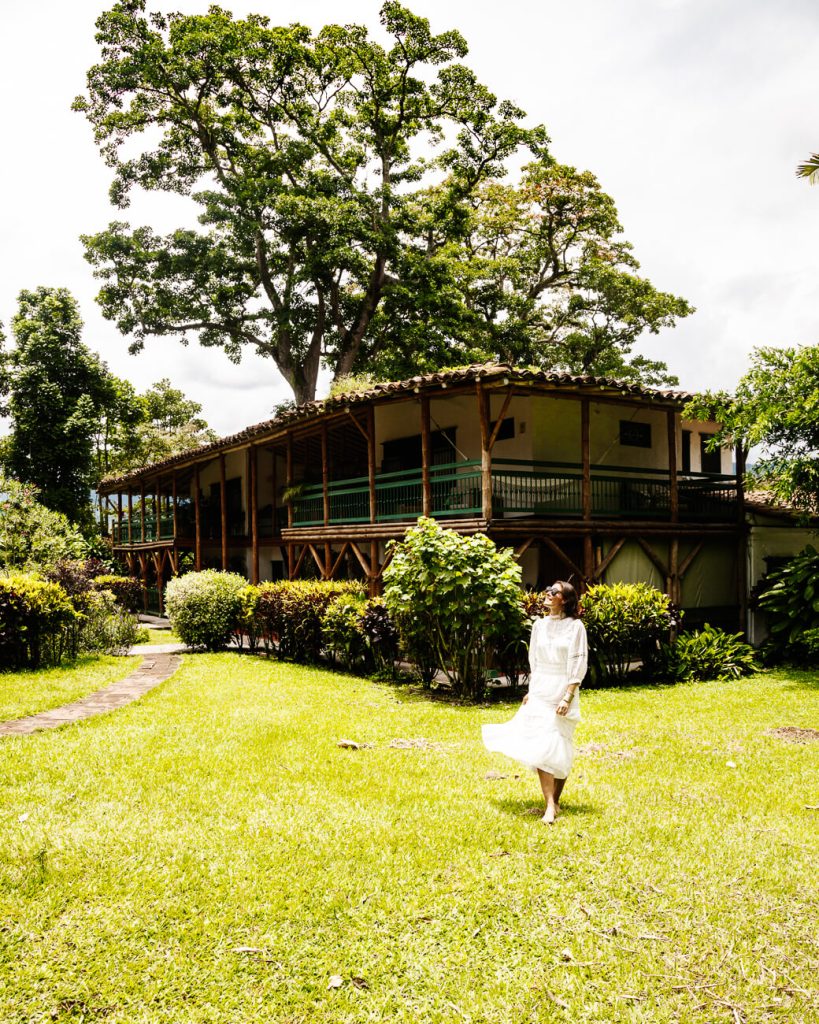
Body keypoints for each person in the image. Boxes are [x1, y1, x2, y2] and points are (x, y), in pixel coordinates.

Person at [482, 581, 588, 824]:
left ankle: (556, 800)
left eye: (555, 592)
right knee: (542, 744)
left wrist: (567, 696)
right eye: (547, 591)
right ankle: (549, 806)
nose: (548, 595)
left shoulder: (575, 627)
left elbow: (578, 662)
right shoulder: (539, 625)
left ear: (566, 599)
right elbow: (535, 660)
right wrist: (531, 690)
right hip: (541, 688)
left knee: (560, 744)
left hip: (563, 687)